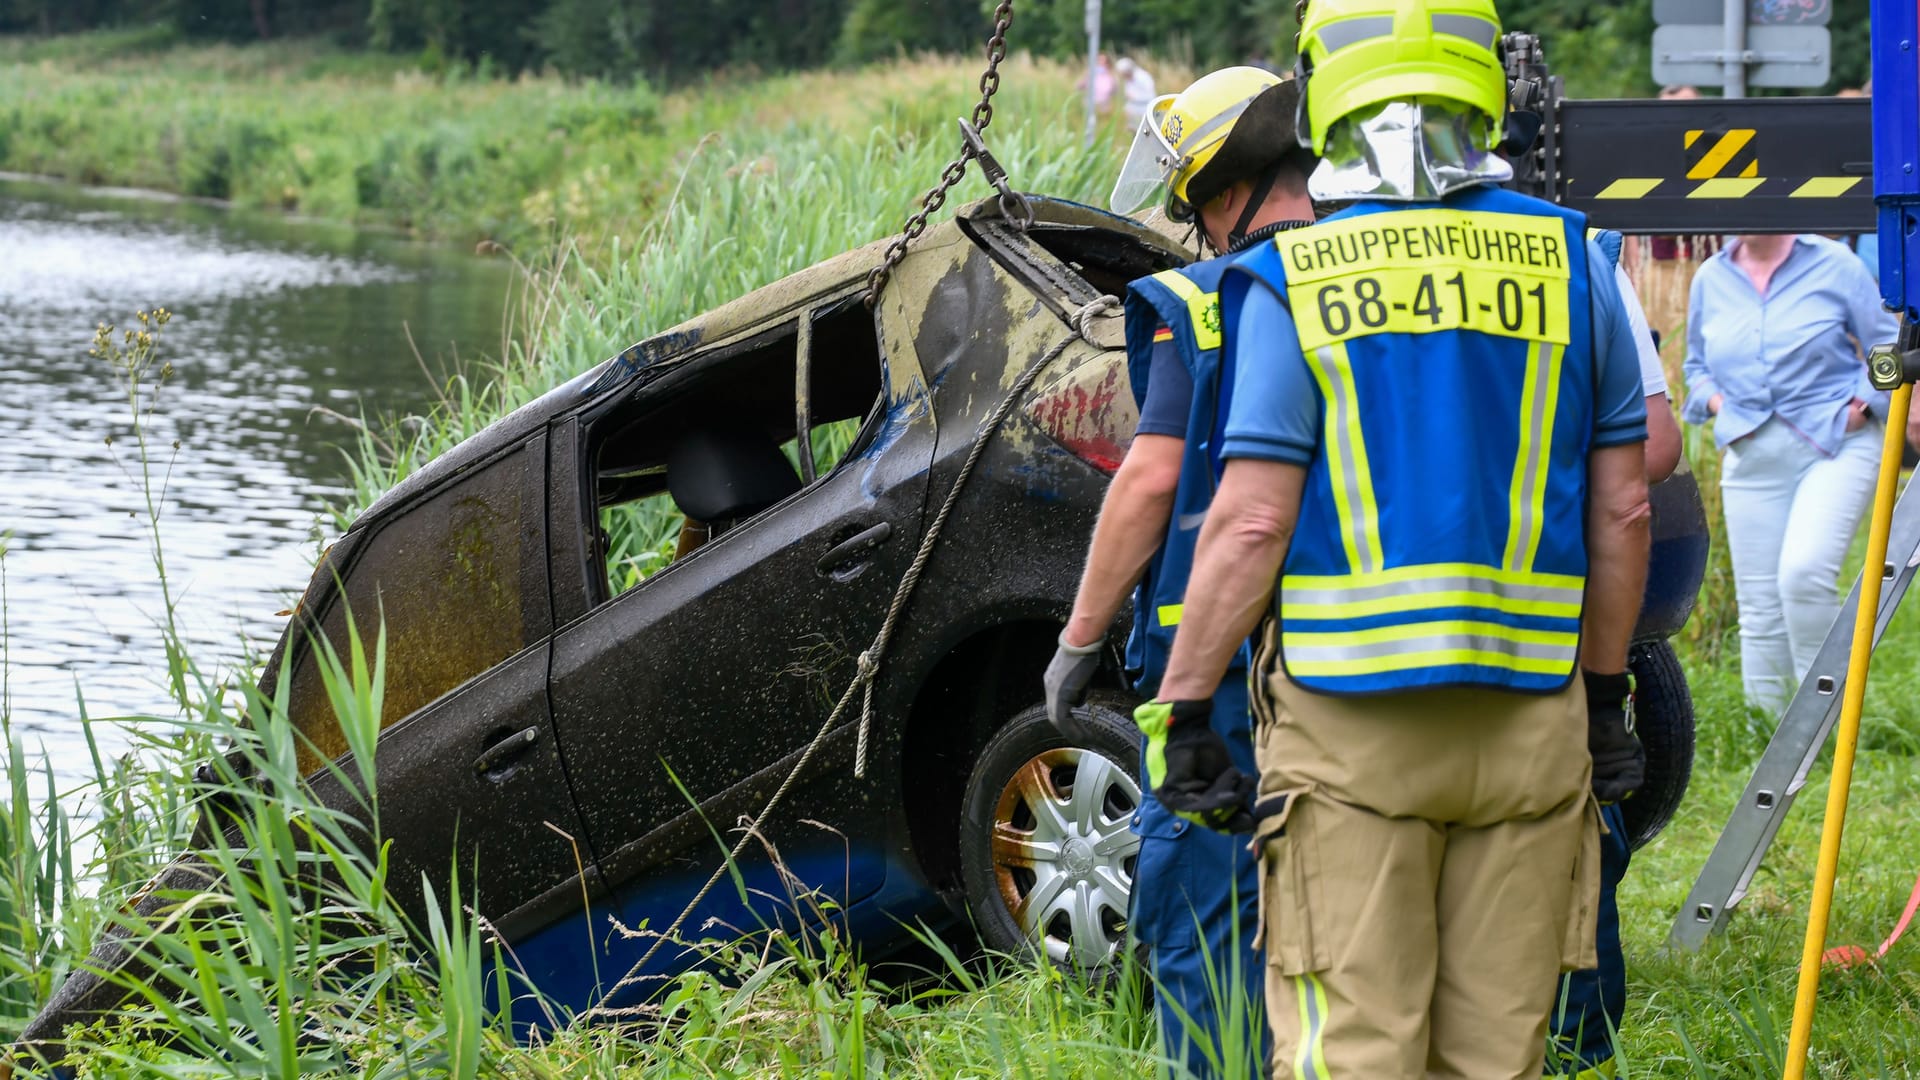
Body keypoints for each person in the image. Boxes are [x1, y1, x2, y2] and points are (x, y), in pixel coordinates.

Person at [1138, 0, 1653, 1074]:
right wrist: (1605, 700)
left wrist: (1186, 705)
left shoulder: (1294, 278)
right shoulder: (1579, 263)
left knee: (1354, 1051)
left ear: (1323, 90)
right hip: (1532, 723)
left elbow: (1250, 519)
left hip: (1349, 740)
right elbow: (1625, 509)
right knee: (1498, 1053)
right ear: (1488, 82)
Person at [1046, 67, 1319, 1078]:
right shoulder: (1363, 284)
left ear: (1218, 191)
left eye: (1194, 205)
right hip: (1357, 654)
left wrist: (1078, 642)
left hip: (1227, 672)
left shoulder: (1201, 300)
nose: (1197, 227)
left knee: (1204, 927)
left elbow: (1154, 479)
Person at [1683, 233, 1898, 712]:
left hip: (1836, 440)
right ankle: (1767, 732)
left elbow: (1888, 345)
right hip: (1751, 448)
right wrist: (1719, 404)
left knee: (1802, 574)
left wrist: (1862, 405)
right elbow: (1695, 367)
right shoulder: (1710, 277)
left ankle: (1827, 722)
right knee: (1759, 607)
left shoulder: (1835, 262)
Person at [1115, 58, 1159, 129]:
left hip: (1145, 109)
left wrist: (1135, 97)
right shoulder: (1128, 79)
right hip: (1134, 111)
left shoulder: (1143, 77)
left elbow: (1151, 95)